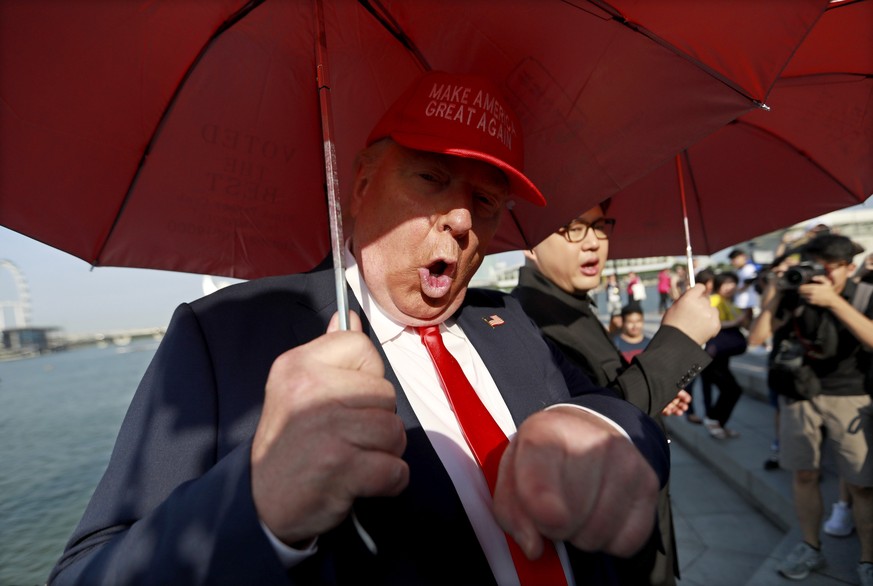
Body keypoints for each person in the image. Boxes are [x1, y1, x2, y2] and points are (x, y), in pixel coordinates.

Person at [48, 71, 669, 585]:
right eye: (430, 178)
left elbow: (617, 413)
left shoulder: (509, 318)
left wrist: (601, 428)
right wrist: (257, 502)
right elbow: (85, 571)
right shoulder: (223, 335)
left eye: (486, 202)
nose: (460, 218)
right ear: (363, 180)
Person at [512, 202, 719, 586]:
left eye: (598, 226)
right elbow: (584, 436)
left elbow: (605, 394)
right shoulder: (527, 321)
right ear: (529, 242)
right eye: (572, 227)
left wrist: (658, 394)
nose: (592, 242)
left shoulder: (571, 303)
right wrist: (678, 346)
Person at [748, 233, 873, 585]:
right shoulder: (795, 290)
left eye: (830, 268)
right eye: (815, 264)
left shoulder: (864, 294)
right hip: (800, 392)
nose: (820, 274)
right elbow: (756, 339)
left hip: (850, 395)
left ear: (849, 268)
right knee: (803, 473)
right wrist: (774, 293)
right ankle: (810, 546)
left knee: (862, 484)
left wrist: (834, 302)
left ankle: (868, 560)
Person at [701, 271, 748, 440]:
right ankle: (713, 420)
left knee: (731, 390)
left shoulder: (729, 303)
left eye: (733, 283)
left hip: (721, 357)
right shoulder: (714, 300)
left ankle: (718, 422)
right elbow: (711, 324)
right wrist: (736, 322)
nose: (730, 287)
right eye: (726, 283)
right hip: (712, 358)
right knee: (731, 389)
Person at [728, 248, 760, 323]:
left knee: (748, 322)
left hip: (748, 303)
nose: (733, 262)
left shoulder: (749, 268)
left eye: (735, 259)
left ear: (743, 256)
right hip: (741, 303)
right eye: (732, 260)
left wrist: (734, 289)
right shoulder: (739, 270)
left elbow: (746, 284)